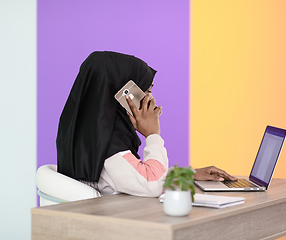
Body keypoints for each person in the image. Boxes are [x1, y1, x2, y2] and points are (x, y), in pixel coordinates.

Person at [56, 51, 237, 197]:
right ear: (125, 95)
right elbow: (153, 184)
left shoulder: (89, 140)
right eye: (147, 90)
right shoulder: (111, 152)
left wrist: (188, 174)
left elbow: (138, 174)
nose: (151, 99)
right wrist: (153, 134)